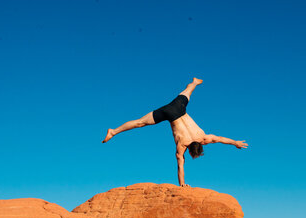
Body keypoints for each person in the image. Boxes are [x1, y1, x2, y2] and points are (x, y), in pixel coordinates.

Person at [102, 78, 248, 187]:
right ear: (191, 151)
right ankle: (113, 132)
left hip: (178, 107)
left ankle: (195, 82)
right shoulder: (182, 146)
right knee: (140, 123)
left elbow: (220, 138)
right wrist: (182, 184)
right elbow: (180, 166)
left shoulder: (204, 138)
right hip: (169, 114)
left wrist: (235, 142)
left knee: (188, 90)